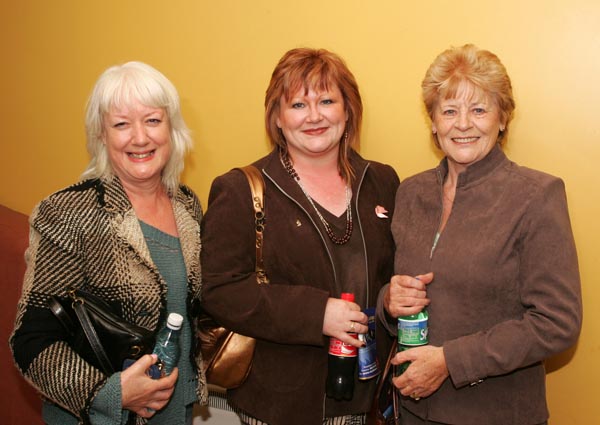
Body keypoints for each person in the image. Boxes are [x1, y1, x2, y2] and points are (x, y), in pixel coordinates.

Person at [380, 44, 582, 424]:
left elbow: (558, 322)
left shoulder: (536, 195)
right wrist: (388, 302)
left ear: (503, 118)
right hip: (410, 412)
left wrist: (450, 362)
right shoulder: (410, 192)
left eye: (479, 109)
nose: (463, 124)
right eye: (450, 111)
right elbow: (398, 297)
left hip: (495, 414)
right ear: (433, 121)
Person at [200, 47, 400, 425]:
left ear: (348, 110)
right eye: (297, 105)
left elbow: (392, 276)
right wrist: (316, 313)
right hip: (284, 404)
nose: (314, 116)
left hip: (370, 397)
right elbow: (219, 291)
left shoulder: (383, 181)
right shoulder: (240, 189)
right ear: (277, 117)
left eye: (327, 100)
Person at [10, 61, 206, 424]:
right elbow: (30, 340)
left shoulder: (188, 205)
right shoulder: (67, 212)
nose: (140, 137)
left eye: (152, 120)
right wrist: (111, 393)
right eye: (121, 124)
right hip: (99, 416)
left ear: (171, 127)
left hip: (176, 410)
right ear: (101, 135)